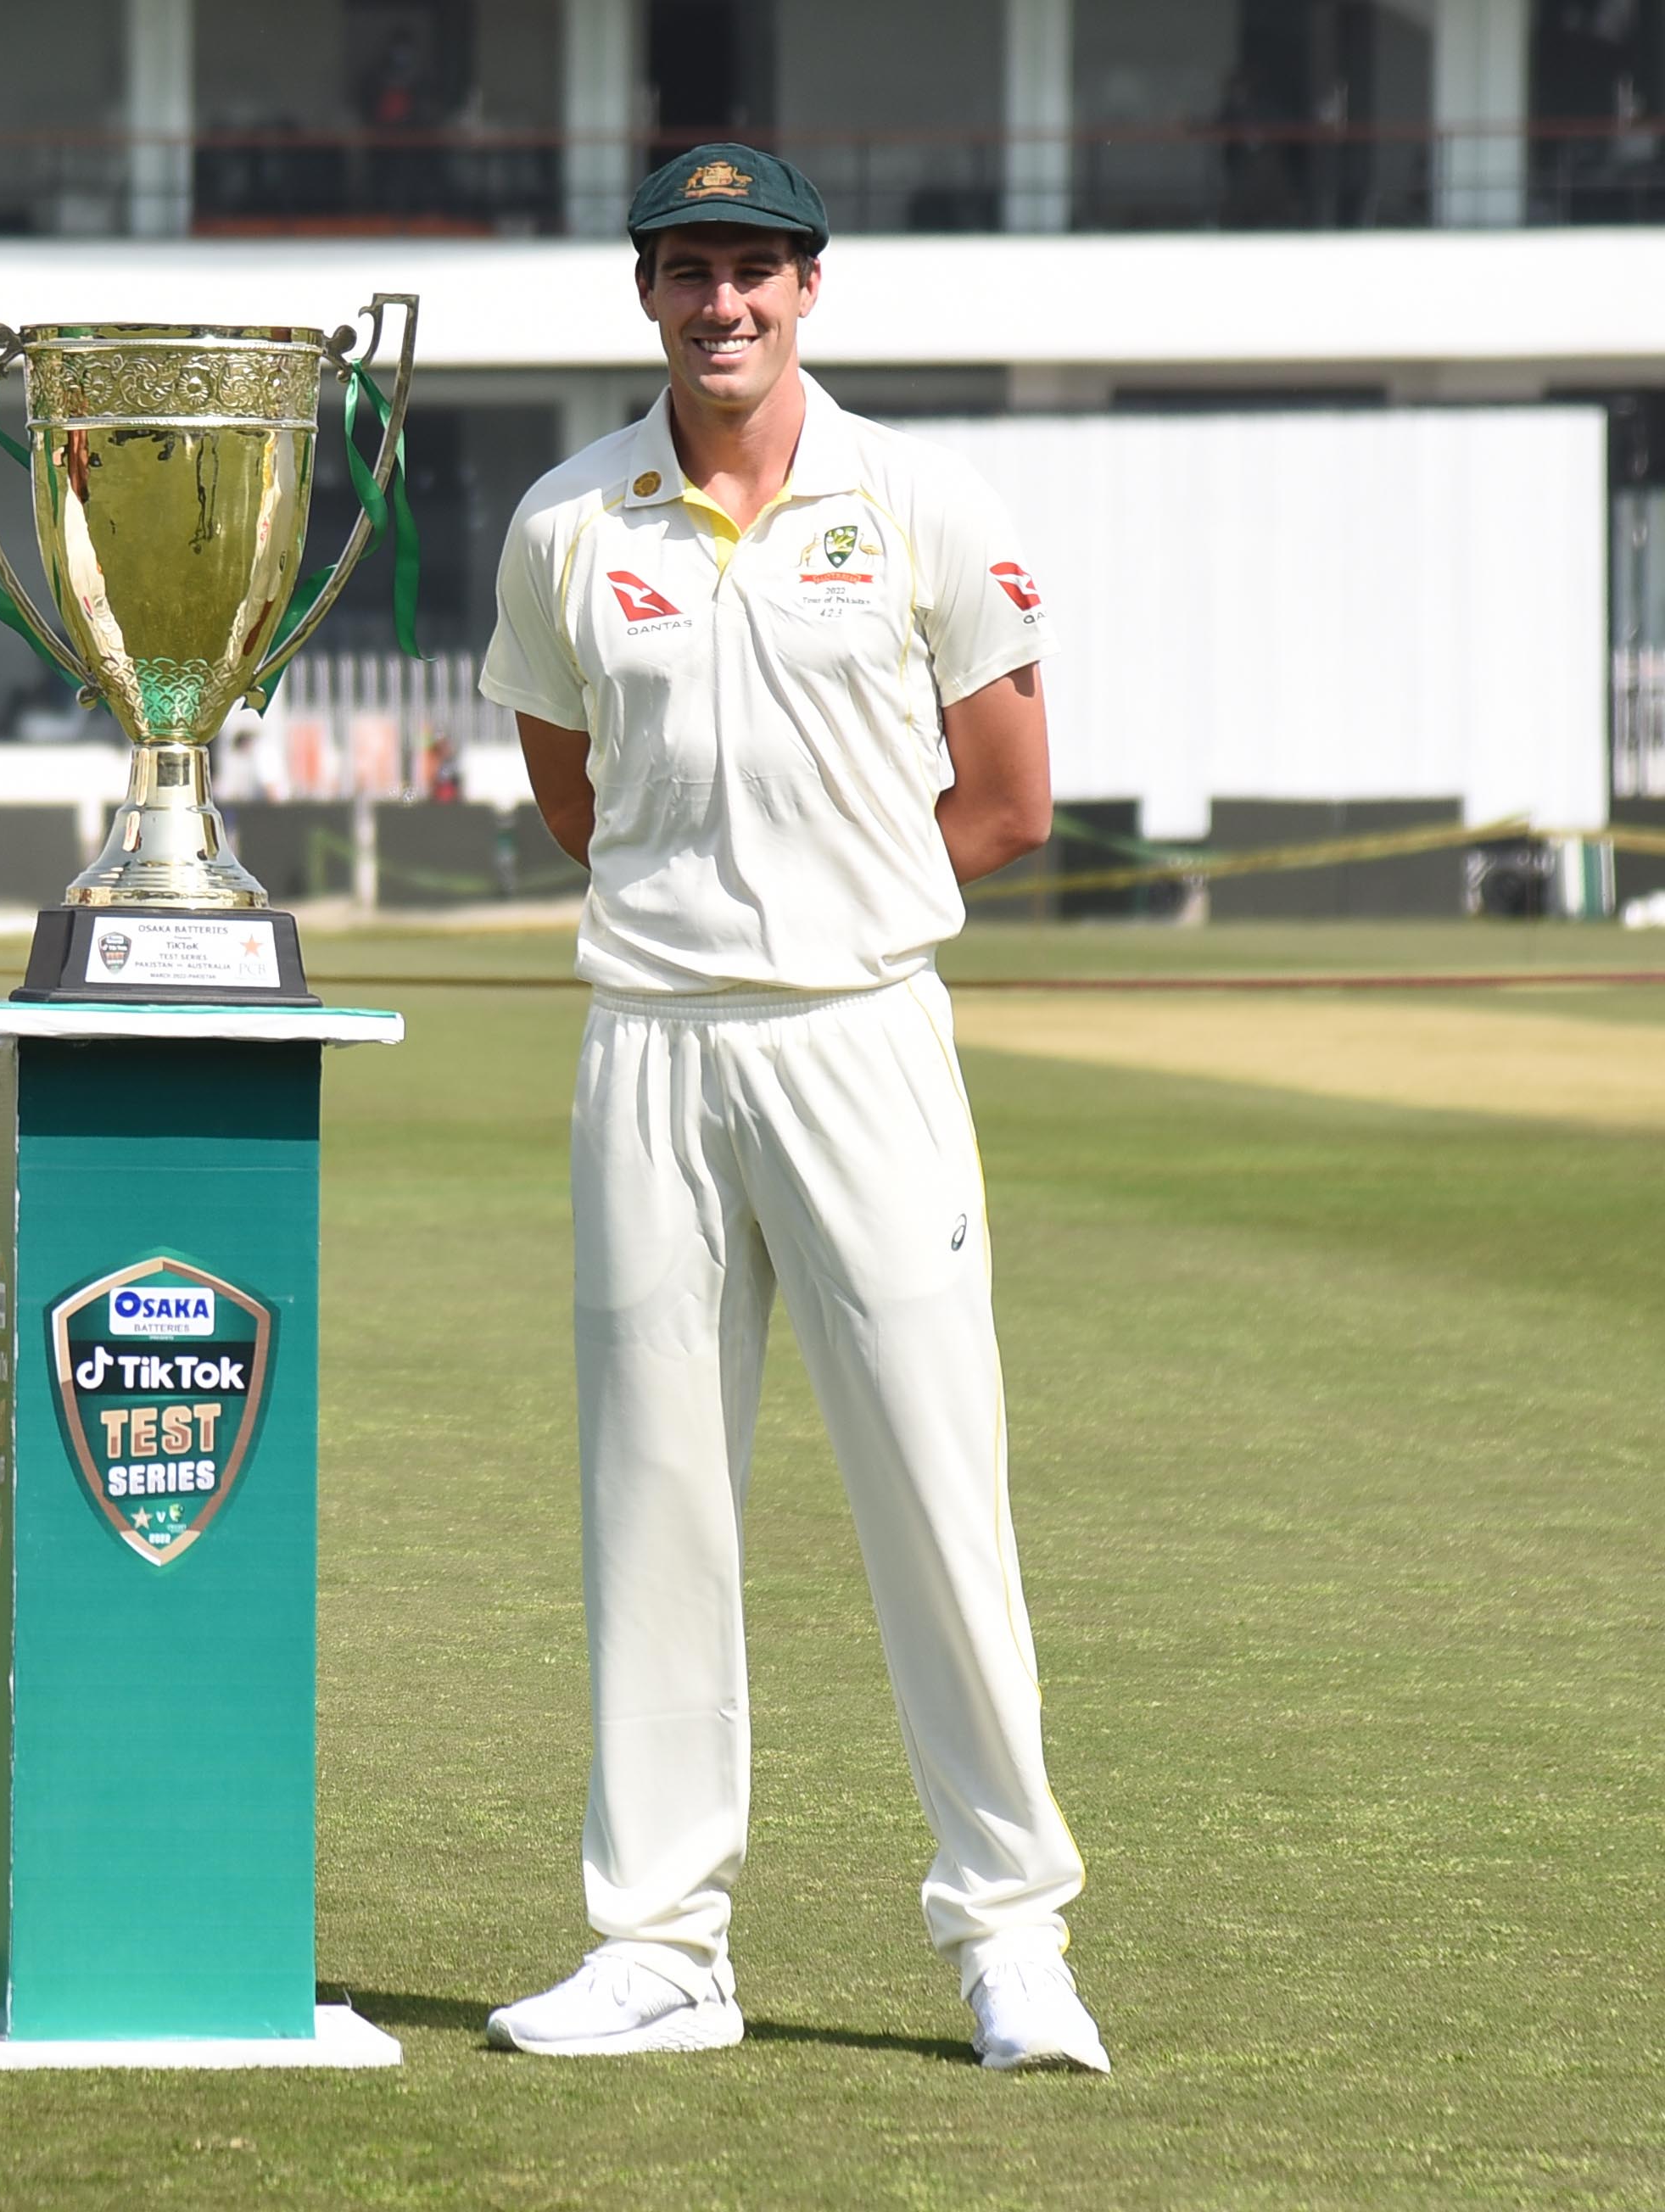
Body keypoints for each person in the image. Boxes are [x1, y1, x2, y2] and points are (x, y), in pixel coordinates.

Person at [478, 146, 1108, 2072]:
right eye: (688, 270)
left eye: (752, 267)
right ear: (645, 293)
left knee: (935, 1478)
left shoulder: (915, 495)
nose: (720, 303)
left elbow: (1006, 800)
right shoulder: (571, 519)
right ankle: (661, 1943)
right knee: (653, 1489)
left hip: (858, 1035)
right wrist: (707, 912)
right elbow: (574, 797)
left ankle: (1010, 1930)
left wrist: (831, 904)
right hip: (650, 1041)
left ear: (809, 289)